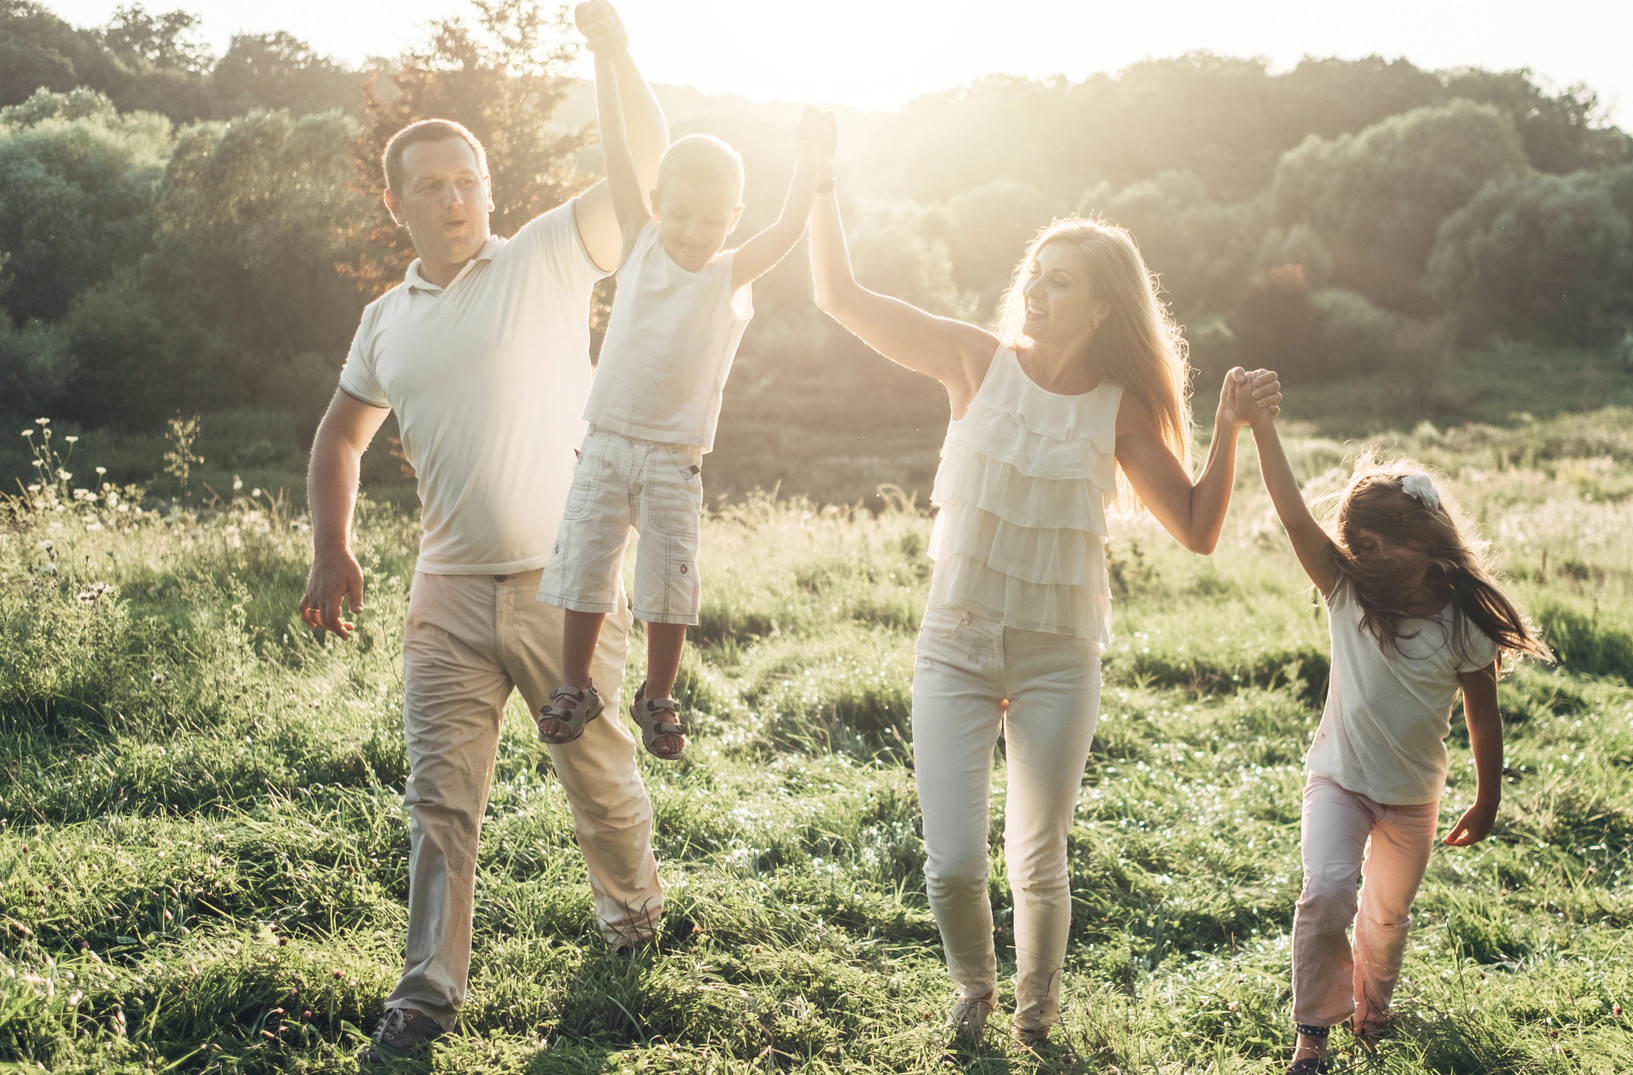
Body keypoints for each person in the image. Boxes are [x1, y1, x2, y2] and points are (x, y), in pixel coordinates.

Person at [808, 113, 1281, 1049]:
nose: (1034, 288)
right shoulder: (975, 362)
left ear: (1102, 306)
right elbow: (839, 295)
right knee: (951, 865)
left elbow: (1195, 529)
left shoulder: (1122, 409)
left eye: (1057, 281)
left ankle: (1035, 1014)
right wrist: (817, 177)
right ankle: (971, 989)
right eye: (1033, 271)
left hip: (1060, 654)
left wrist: (1227, 429)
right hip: (955, 642)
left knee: (1038, 857)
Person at [298, 3, 669, 1064]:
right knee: (439, 802)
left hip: (567, 581)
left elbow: (649, 164)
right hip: (446, 592)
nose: (456, 197)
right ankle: (424, 997)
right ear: (397, 201)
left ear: (489, 190)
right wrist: (334, 544)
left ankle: (634, 918)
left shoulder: (550, 255)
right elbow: (338, 437)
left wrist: (614, 54)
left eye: (469, 180)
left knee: (597, 775)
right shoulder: (386, 318)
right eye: (433, 184)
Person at [1227, 375, 1553, 1073]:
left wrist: (1489, 795)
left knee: (1385, 916)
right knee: (1326, 894)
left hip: (1412, 795)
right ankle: (1313, 1030)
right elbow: (1290, 516)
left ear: (1421, 539)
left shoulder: (1462, 617)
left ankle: (1372, 1012)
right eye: (1357, 544)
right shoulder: (1345, 588)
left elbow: (1481, 710)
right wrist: (1260, 429)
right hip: (1338, 778)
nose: (1362, 557)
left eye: (1376, 546)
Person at [530, 60, 829, 759]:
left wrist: (812, 155)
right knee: (585, 570)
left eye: (711, 218)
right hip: (604, 442)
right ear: (658, 202)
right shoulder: (638, 245)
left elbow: (788, 226)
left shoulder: (728, 272)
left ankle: (656, 692)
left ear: (733, 219)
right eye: (681, 213)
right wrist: (606, 62)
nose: (694, 231)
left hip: (674, 454)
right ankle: (575, 685)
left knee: (668, 579)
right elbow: (615, 147)